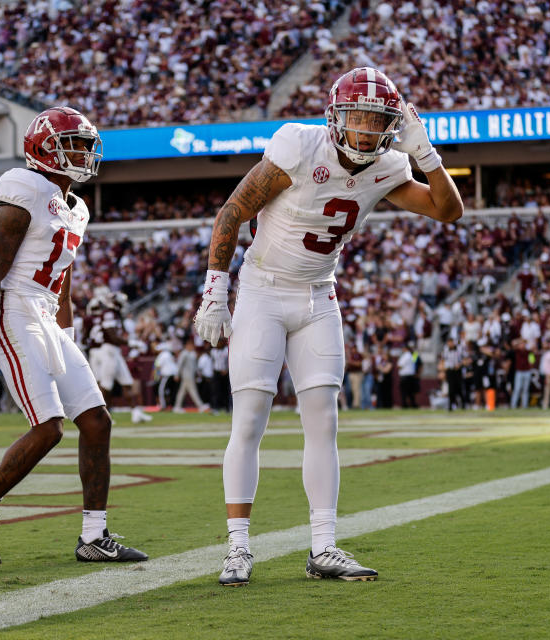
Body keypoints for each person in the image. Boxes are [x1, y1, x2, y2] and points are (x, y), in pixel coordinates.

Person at [193, 67, 463, 586]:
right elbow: (233, 210)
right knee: (249, 419)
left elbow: (447, 211)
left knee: (323, 421)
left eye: (377, 120)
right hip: (264, 289)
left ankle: (323, 547)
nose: (365, 129)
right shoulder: (298, 144)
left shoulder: (389, 164)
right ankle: (238, 548)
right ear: (335, 116)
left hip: (319, 295)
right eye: (357, 117)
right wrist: (215, 290)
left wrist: (427, 154)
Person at [0, 107, 147, 566]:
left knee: (98, 421)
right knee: (49, 427)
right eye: (73, 145)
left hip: (44, 313)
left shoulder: (75, 208)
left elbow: (64, 282)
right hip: (13, 310)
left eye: (84, 145)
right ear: (45, 149)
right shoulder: (25, 187)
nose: (83, 154)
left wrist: (69, 332)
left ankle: (93, 536)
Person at [87, 291, 136, 409]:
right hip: (108, 351)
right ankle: (100, 413)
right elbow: (112, 336)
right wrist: (130, 343)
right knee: (106, 384)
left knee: (126, 381)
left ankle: (136, 413)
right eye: (121, 303)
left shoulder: (112, 314)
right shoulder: (109, 314)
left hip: (113, 351)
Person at [440, 336, 464, 410]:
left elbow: (464, 359)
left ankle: (463, 404)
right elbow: (443, 360)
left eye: (451, 342)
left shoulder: (459, 349)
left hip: (457, 370)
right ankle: (451, 405)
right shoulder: (445, 350)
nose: (450, 344)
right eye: (449, 342)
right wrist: (443, 370)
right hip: (449, 370)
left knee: (459, 388)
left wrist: (459, 365)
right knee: (451, 388)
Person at [509, 339, 534, 409]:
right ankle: (513, 405)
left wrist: (530, 366)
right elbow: (513, 344)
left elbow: (532, 361)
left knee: (525, 389)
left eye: (523, 344)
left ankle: (524, 406)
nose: (522, 345)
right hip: (519, 372)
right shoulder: (517, 351)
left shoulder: (529, 352)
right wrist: (519, 341)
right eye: (521, 344)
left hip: (527, 371)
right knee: (517, 389)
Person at [397, 343, 418, 408]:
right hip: (411, 376)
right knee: (411, 392)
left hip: (405, 376)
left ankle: (404, 405)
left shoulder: (405, 355)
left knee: (404, 392)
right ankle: (413, 405)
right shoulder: (412, 355)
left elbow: (399, 366)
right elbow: (416, 360)